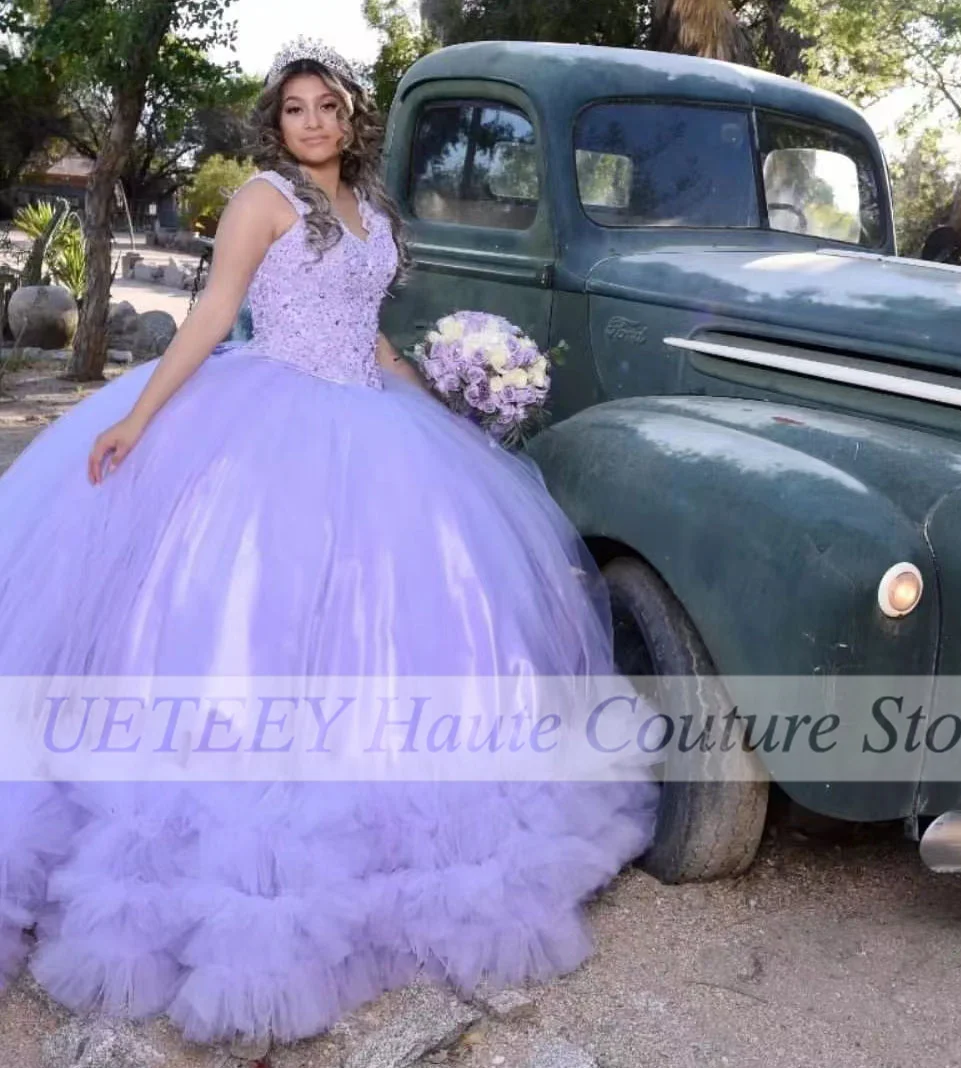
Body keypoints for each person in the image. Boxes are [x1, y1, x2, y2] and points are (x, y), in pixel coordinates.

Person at [0, 37, 657, 1048]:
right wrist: (133, 419)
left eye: (328, 107)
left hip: (371, 420)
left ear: (352, 118)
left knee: (398, 618)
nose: (312, 121)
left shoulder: (374, 210)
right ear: (280, 119)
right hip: (269, 421)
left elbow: (373, 337)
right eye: (296, 108)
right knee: (251, 616)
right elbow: (215, 312)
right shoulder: (264, 198)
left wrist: (442, 403)